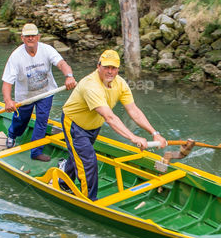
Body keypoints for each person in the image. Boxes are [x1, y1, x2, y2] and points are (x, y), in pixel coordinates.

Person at [58, 49, 166, 200]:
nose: (110, 71)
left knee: (80, 154)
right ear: (98, 66)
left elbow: (134, 110)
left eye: (113, 68)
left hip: (94, 125)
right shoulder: (91, 86)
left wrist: (155, 133)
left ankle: (63, 179)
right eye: (106, 67)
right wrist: (133, 137)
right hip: (75, 124)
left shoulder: (120, 84)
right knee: (88, 161)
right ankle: (89, 200)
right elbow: (109, 117)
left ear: (118, 69)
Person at [2, 23, 76, 162]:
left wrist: (69, 76)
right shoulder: (16, 56)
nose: (31, 39)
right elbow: (7, 82)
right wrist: (8, 101)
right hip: (25, 97)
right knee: (21, 121)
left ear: (38, 37)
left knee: (42, 121)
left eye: (33, 36)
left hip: (45, 93)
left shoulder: (47, 49)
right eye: (27, 36)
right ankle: (12, 135)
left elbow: (61, 64)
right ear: (22, 38)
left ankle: (36, 151)